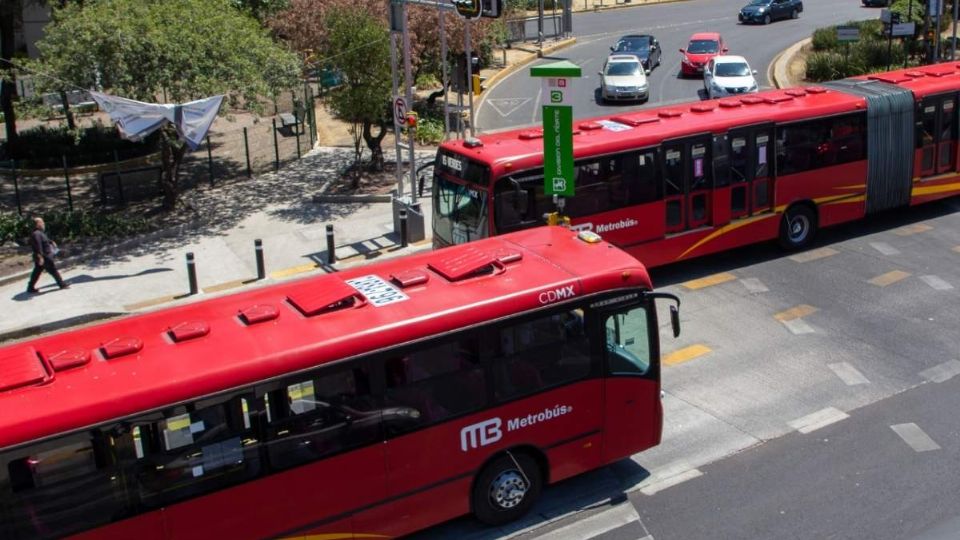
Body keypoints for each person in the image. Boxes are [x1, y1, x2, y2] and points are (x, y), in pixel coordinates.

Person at [26, 217, 69, 294]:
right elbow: (38, 246)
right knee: (53, 270)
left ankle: (30, 287)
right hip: (44, 256)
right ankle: (62, 284)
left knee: (37, 272)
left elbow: (45, 240)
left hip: (43, 256)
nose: (43, 223)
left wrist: (51, 242)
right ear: (37, 224)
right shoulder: (36, 234)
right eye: (42, 222)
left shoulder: (39, 233)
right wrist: (41, 257)